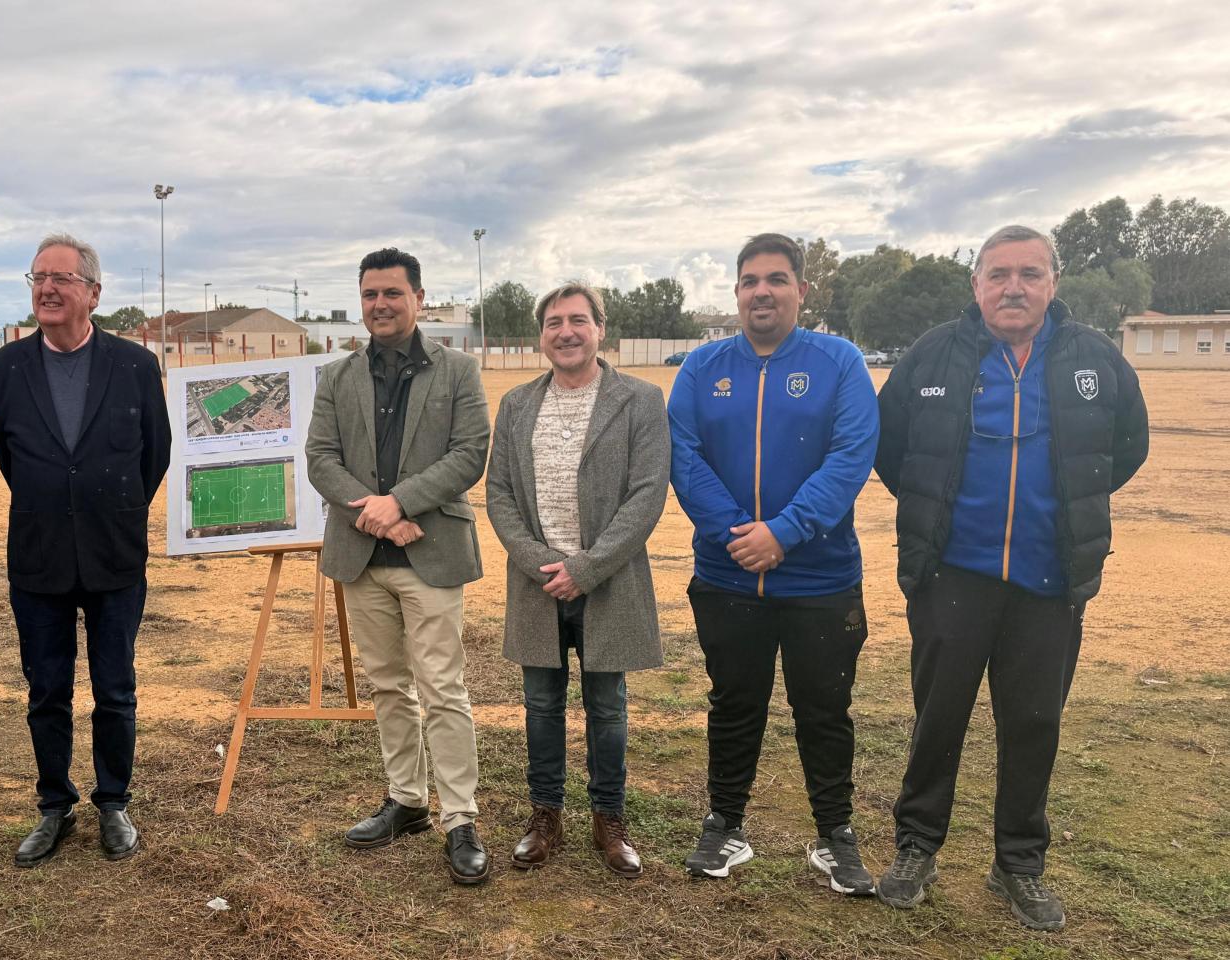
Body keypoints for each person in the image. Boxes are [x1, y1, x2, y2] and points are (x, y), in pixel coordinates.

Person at [874, 225, 1149, 930]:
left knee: (1033, 723)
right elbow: (891, 448)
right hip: (952, 577)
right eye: (998, 274)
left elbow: (1125, 448)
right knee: (939, 718)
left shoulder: (1095, 358)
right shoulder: (932, 354)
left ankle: (1018, 864)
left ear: (1054, 282)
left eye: (1029, 273)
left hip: (1050, 581)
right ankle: (916, 847)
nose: (1013, 287)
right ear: (977, 286)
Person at [668, 233, 879, 894]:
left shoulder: (839, 361)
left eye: (777, 279)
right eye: (751, 280)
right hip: (728, 576)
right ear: (736, 292)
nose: (763, 290)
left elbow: (851, 457)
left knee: (824, 710)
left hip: (822, 581)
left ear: (801, 291)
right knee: (734, 704)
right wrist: (740, 534)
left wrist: (784, 533)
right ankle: (724, 824)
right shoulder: (702, 368)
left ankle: (835, 837)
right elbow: (683, 456)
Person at [305, 247, 493, 884]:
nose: (379, 305)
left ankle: (459, 816)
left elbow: (470, 454)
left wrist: (401, 503)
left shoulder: (460, 371)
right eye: (369, 295)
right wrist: (377, 513)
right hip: (363, 558)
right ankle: (407, 800)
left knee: (442, 688)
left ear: (418, 297)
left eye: (391, 293)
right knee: (389, 685)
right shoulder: (336, 377)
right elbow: (321, 459)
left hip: (432, 554)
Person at [0, 234, 169, 866]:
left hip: (115, 554)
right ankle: (53, 805)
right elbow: (14, 461)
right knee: (47, 690)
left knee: (115, 689)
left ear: (93, 291)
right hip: (38, 555)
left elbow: (154, 455)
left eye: (61, 278)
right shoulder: (3, 370)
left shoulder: (137, 366)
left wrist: (105, 509)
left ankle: (114, 802)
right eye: (37, 277)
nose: (47, 288)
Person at [485, 283, 669, 877]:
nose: (566, 331)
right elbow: (500, 495)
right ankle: (545, 815)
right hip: (537, 582)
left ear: (600, 330)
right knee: (540, 704)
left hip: (607, 581)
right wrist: (542, 562)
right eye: (554, 322)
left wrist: (587, 568)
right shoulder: (516, 405)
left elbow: (646, 494)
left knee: (607, 705)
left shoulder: (639, 400)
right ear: (541, 335)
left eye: (578, 321)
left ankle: (609, 820)